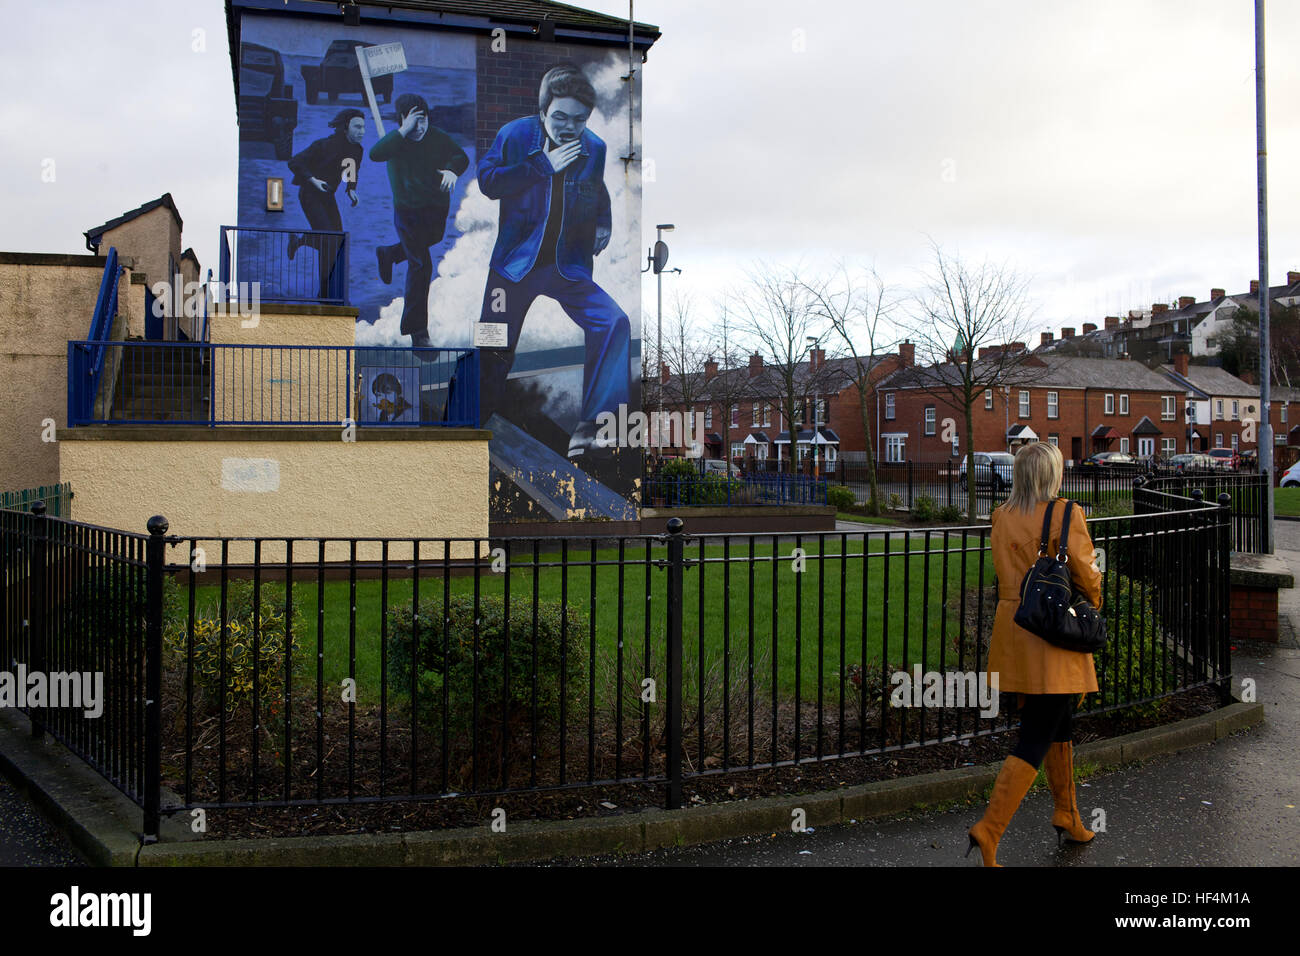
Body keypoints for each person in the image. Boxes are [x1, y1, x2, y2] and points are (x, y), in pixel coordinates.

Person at [475, 63, 630, 459]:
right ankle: (471, 419)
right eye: (559, 117)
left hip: (566, 268)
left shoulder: (593, 148)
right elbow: (488, 181)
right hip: (514, 267)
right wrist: (542, 166)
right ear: (542, 111)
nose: (568, 127)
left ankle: (593, 429)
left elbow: (598, 190)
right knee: (494, 345)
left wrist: (603, 223)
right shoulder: (514, 135)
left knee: (614, 322)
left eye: (578, 120)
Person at [967, 441, 1103, 867]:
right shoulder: (1066, 512)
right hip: (1052, 636)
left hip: (1016, 630)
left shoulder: (1001, 515)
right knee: (1037, 735)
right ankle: (988, 831)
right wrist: (1094, 604)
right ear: (1052, 473)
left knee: (1058, 724)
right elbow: (1086, 574)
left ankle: (1068, 814)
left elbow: (1006, 576)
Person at [369, 94, 470, 348]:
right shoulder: (395, 143)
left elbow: (461, 156)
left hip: (435, 209)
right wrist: (403, 131)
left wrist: (451, 169)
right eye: (413, 121)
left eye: (423, 120)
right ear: (402, 121)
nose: (420, 127)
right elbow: (375, 154)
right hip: (407, 212)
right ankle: (417, 332)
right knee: (420, 265)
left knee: (433, 239)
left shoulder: (437, 137)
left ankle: (390, 253)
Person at [286, 109, 364, 298]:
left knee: (336, 241)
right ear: (345, 128)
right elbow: (295, 162)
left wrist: (351, 189)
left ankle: (300, 241)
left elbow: (350, 171)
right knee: (328, 240)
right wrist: (313, 180)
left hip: (327, 196)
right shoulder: (325, 145)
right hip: (310, 194)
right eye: (357, 127)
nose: (362, 131)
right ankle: (324, 293)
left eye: (364, 127)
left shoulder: (356, 150)